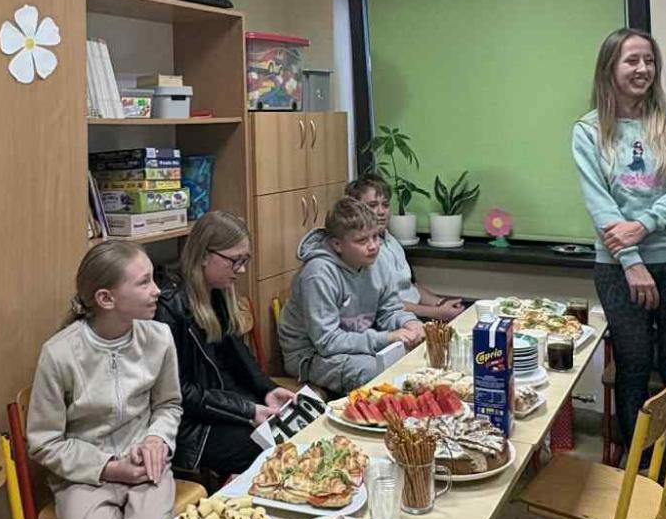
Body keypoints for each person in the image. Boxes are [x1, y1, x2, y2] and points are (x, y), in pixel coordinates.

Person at [572, 30, 666, 519]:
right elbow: (599, 203)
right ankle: (639, 475)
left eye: (649, 60)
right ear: (610, 67)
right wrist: (631, 259)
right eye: (632, 60)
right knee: (632, 367)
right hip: (618, 266)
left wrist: (645, 224)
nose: (642, 69)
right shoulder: (588, 130)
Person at [24, 241, 182, 519]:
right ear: (106, 299)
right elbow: (44, 442)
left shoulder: (159, 338)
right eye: (144, 282)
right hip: (84, 475)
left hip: (145, 466)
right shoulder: (59, 355)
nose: (157, 290)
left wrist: (156, 440)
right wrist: (108, 467)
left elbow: (169, 405)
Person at [155, 211, 294, 486]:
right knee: (267, 450)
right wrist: (248, 410)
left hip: (225, 405)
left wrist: (267, 390)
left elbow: (240, 358)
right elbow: (181, 393)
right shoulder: (169, 308)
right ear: (204, 255)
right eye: (235, 260)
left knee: (295, 425)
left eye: (245, 260)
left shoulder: (217, 292)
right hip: (192, 425)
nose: (241, 270)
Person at [277, 195, 425, 397]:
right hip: (311, 356)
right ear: (337, 245)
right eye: (362, 240)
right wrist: (386, 338)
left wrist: (410, 323)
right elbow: (327, 342)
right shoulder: (318, 274)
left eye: (375, 236)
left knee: (419, 361)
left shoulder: (377, 260)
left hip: (357, 342)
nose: (373, 246)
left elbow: (390, 310)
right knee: (378, 374)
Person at [345, 174, 466, 323]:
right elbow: (383, 305)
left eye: (385, 205)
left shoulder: (390, 240)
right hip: (396, 321)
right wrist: (436, 313)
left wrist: (440, 303)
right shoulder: (364, 252)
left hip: (418, 313)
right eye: (372, 205)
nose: (381, 211)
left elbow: (409, 287)